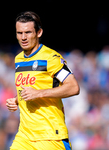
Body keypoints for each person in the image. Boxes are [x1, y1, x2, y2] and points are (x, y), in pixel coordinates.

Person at [6, 11, 80, 150]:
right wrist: (16, 99)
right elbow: (30, 87)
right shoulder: (18, 60)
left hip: (50, 135)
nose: (23, 37)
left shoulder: (51, 58)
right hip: (25, 136)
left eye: (28, 32)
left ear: (39, 33)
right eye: (19, 33)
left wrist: (39, 93)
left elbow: (74, 87)